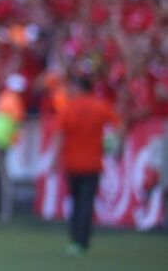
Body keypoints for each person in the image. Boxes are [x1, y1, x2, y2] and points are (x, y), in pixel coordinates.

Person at [52, 74, 121, 256]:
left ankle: (75, 239)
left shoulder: (68, 108)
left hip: (72, 164)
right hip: (92, 164)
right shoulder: (100, 106)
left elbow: (60, 136)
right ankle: (82, 241)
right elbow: (117, 126)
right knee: (86, 204)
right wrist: (112, 145)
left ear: (79, 88)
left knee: (76, 203)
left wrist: (53, 159)